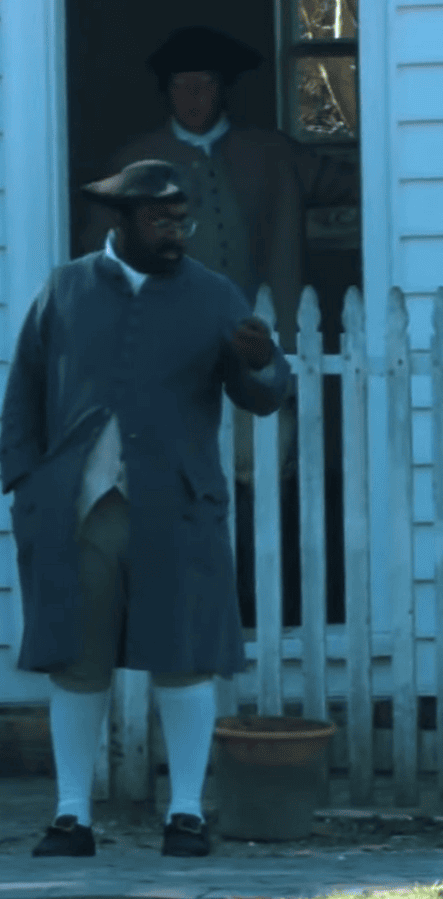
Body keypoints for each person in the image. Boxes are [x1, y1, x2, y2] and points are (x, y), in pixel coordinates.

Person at [0, 160, 291, 858]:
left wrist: (260, 361)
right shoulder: (65, 288)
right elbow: (24, 392)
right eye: (159, 219)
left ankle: (185, 815)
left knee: (184, 661)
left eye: (181, 219)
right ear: (123, 221)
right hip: (79, 511)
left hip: (177, 507)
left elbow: (266, 392)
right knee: (77, 661)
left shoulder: (215, 295)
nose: (175, 231)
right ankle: (73, 817)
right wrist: (26, 487)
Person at [78, 26, 360, 625]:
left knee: (267, 482)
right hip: (169, 357)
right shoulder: (133, 162)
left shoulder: (272, 153)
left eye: (205, 86)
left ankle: (260, 606)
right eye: (183, 87)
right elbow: (94, 261)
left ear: (223, 91)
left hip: (259, 345)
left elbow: (359, 182)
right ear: (167, 94)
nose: (194, 98)